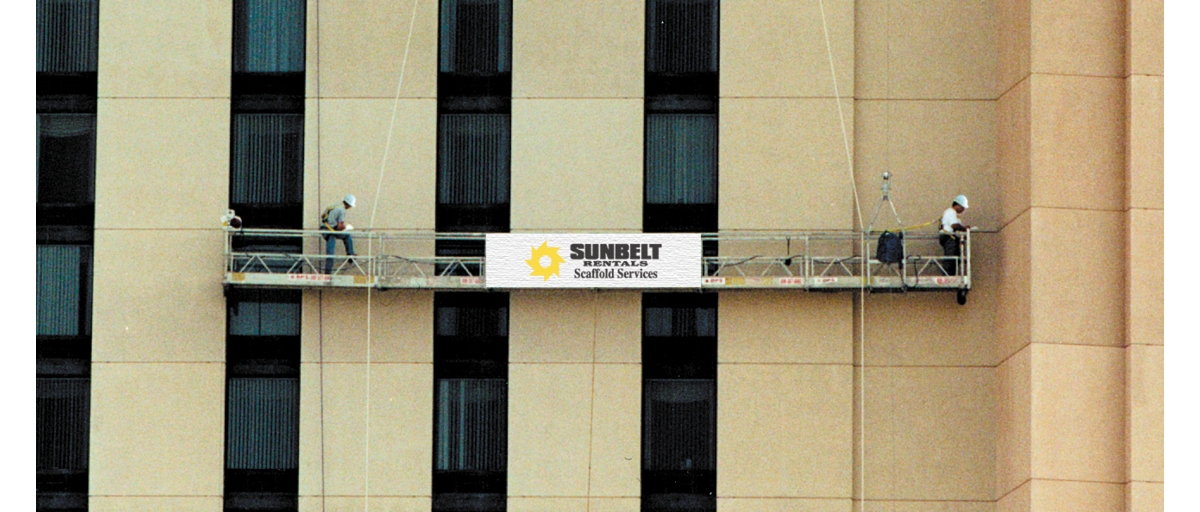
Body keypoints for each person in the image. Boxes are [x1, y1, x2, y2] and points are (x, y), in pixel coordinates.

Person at [320, 194, 357, 274]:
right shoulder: (342, 210)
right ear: (349, 204)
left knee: (330, 252)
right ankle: (350, 255)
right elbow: (340, 226)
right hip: (331, 231)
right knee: (347, 236)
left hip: (324, 229)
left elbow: (322, 216)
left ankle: (327, 272)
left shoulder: (333, 206)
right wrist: (346, 227)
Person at [940, 195, 971, 276]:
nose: (963, 210)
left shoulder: (954, 214)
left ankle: (951, 274)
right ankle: (947, 276)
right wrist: (964, 228)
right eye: (962, 207)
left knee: (954, 258)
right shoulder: (951, 212)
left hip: (950, 237)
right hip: (948, 237)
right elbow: (955, 225)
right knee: (950, 257)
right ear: (957, 205)